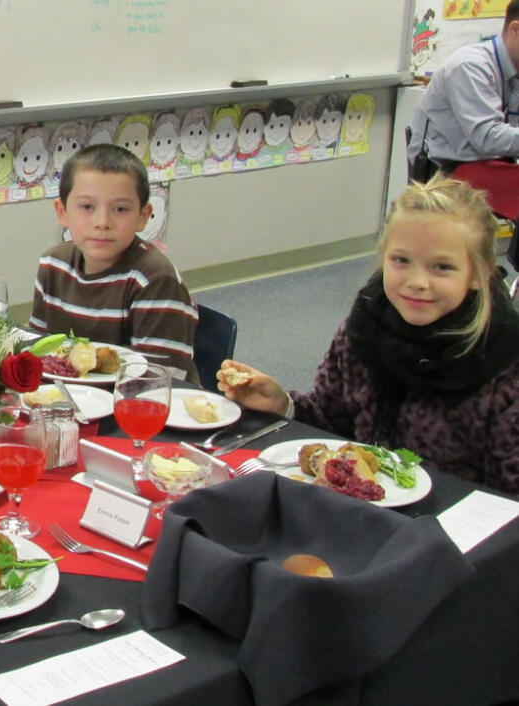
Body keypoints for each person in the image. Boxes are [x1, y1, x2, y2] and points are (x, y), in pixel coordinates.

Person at [218, 176, 519, 495]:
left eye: (441, 267)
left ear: (480, 273)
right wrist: (284, 405)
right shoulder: (365, 328)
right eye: (401, 260)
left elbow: (509, 500)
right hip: (360, 514)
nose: (417, 281)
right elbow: (333, 421)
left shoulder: (503, 367)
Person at [30, 144, 199, 381]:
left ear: (142, 216)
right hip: (73, 395)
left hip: (141, 402)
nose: (102, 222)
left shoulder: (154, 279)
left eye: (120, 209)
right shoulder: (53, 265)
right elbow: (39, 349)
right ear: (62, 212)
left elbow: (158, 379)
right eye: (87, 207)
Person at [407, 0, 519, 220]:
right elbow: (488, 138)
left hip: (487, 162)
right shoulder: (471, 66)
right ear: (516, 29)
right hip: (447, 170)